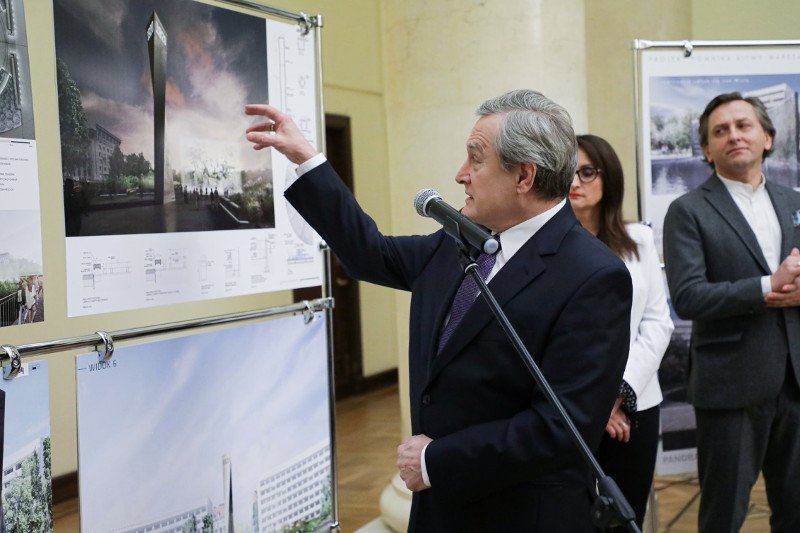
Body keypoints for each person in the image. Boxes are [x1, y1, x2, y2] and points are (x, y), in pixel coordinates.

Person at [245, 89, 633, 531]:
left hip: (520, 515)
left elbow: (561, 428)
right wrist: (307, 160)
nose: (460, 174)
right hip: (440, 510)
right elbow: (369, 252)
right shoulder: (459, 242)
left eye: (476, 159)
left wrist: (434, 460)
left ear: (524, 176)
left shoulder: (593, 276)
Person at [663, 92, 800, 533]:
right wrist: (766, 287)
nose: (733, 136)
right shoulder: (687, 211)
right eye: (719, 131)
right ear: (706, 149)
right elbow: (688, 297)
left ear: (767, 137)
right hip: (730, 384)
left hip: (796, 380)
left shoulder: (792, 199)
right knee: (723, 516)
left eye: (743, 126)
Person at [570, 134, 674, 529]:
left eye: (587, 172)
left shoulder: (640, 241)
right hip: (570, 410)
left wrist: (619, 392)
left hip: (635, 406)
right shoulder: (546, 247)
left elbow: (656, 323)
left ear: (607, 177)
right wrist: (596, 403)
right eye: (567, 173)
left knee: (625, 518)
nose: (574, 183)